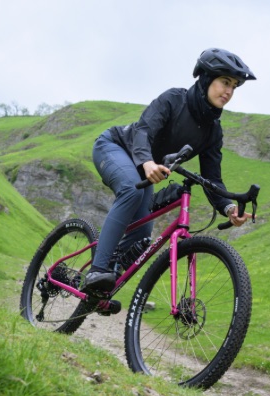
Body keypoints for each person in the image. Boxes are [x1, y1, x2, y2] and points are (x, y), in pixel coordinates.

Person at [84, 48, 256, 293]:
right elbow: (143, 130)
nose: (229, 91)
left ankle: (104, 284)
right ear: (207, 78)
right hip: (114, 147)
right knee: (131, 191)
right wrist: (147, 161)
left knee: (143, 234)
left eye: (234, 86)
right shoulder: (174, 99)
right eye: (225, 82)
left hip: (144, 169)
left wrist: (228, 208)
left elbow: (212, 177)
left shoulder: (213, 131)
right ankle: (97, 270)